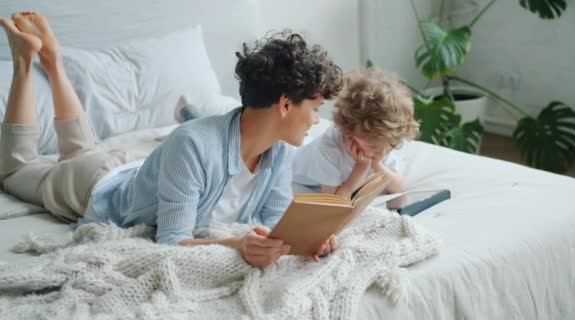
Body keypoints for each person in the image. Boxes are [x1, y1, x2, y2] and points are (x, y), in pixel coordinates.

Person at [0, 12, 344, 267]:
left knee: (80, 148)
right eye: (315, 108)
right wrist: (238, 244)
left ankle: (54, 61)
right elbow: (171, 241)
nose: (317, 120)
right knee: (18, 170)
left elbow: (273, 222)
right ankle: (25, 61)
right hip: (91, 185)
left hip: (136, 168)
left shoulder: (280, 150)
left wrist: (306, 239)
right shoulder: (192, 143)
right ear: (285, 104)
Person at [292, 68, 419, 208]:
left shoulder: (380, 143)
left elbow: (399, 188)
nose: (381, 154)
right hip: (293, 159)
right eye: (373, 147)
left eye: (390, 147)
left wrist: (377, 164)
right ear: (347, 131)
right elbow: (334, 204)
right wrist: (361, 168)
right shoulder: (329, 148)